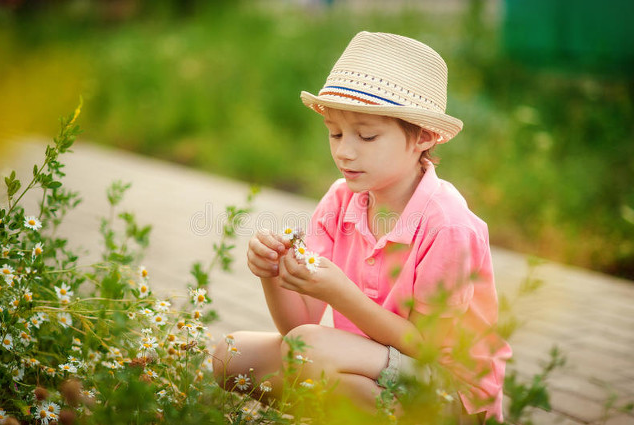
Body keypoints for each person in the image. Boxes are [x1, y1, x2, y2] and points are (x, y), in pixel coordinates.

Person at [212, 31, 511, 423]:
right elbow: (298, 328)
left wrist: (341, 293)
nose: (344, 151)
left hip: (444, 392)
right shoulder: (341, 201)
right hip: (359, 358)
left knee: (310, 354)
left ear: (423, 136)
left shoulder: (447, 223)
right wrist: (272, 273)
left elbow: (426, 348)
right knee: (229, 355)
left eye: (366, 135)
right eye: (335, 133)